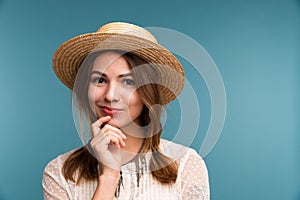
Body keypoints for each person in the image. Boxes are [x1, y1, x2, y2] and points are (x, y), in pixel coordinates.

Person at [43, 21, 210, 200]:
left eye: (128, 82)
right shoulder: (60, 173)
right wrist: (109, 177)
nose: (110, 96)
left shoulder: (186, 164)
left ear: (148, 90)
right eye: (99, 80)